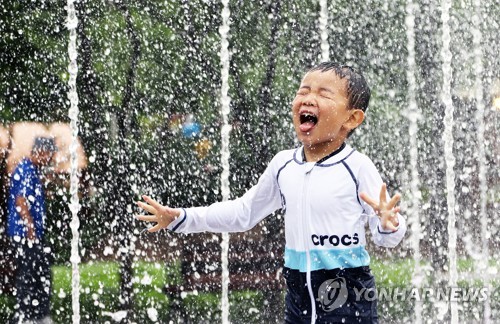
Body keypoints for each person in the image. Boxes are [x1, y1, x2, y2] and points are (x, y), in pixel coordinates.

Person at [136, 62, 406, 323]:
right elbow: (244, 213)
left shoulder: (357, 167)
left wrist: (387, 223)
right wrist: (183, 218)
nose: (308, 99)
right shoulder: (283, 165)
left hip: (348, 292)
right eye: (303, 91)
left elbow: (386, 239)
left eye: (324, 94)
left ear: (352, 118)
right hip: (299, 294)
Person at [7, 137, 57, 324]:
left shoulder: (32, 170)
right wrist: (30, 228)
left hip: (28, 233)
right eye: (49, 155)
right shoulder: (26, 169)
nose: (50, 159)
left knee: (39, 272)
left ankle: (36, 315)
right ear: (40, 152)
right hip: (25, 234)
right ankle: (27, 316)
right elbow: (20, 200)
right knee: (30, 274)